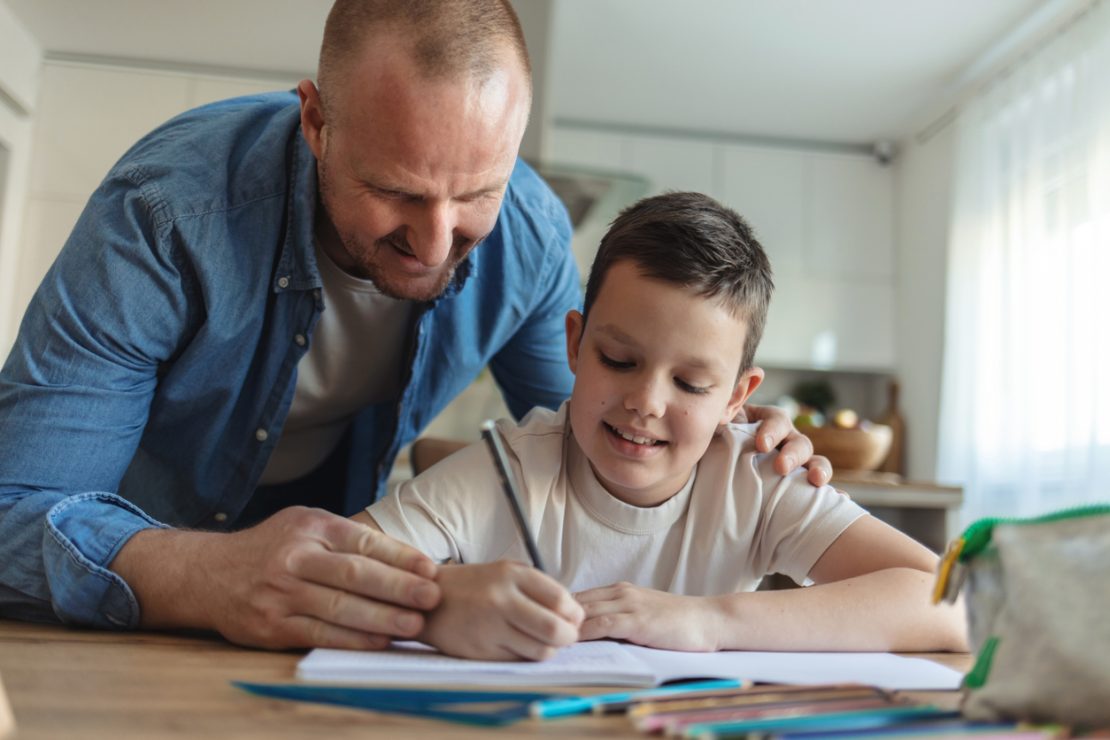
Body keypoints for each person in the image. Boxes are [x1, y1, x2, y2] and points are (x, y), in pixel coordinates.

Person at [0, 1, 826, 649]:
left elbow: (597, 444)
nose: (435, 246)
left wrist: (725, 434)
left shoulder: (531, 238)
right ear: (317, 122)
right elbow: (17, 511)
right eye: (396, 189)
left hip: (338, 597)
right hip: (142, 582)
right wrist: (209, 576)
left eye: (474, 194)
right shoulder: (167, 213)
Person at [360, 192, 968, 661]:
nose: (645, 402)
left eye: (691, 385)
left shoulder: (758, 477)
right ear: (574, 344)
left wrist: (710, 620)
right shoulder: (505, 472)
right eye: (618, 361)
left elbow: (958, 603)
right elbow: (322, 568)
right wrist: (438, 603)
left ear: (737, 396)